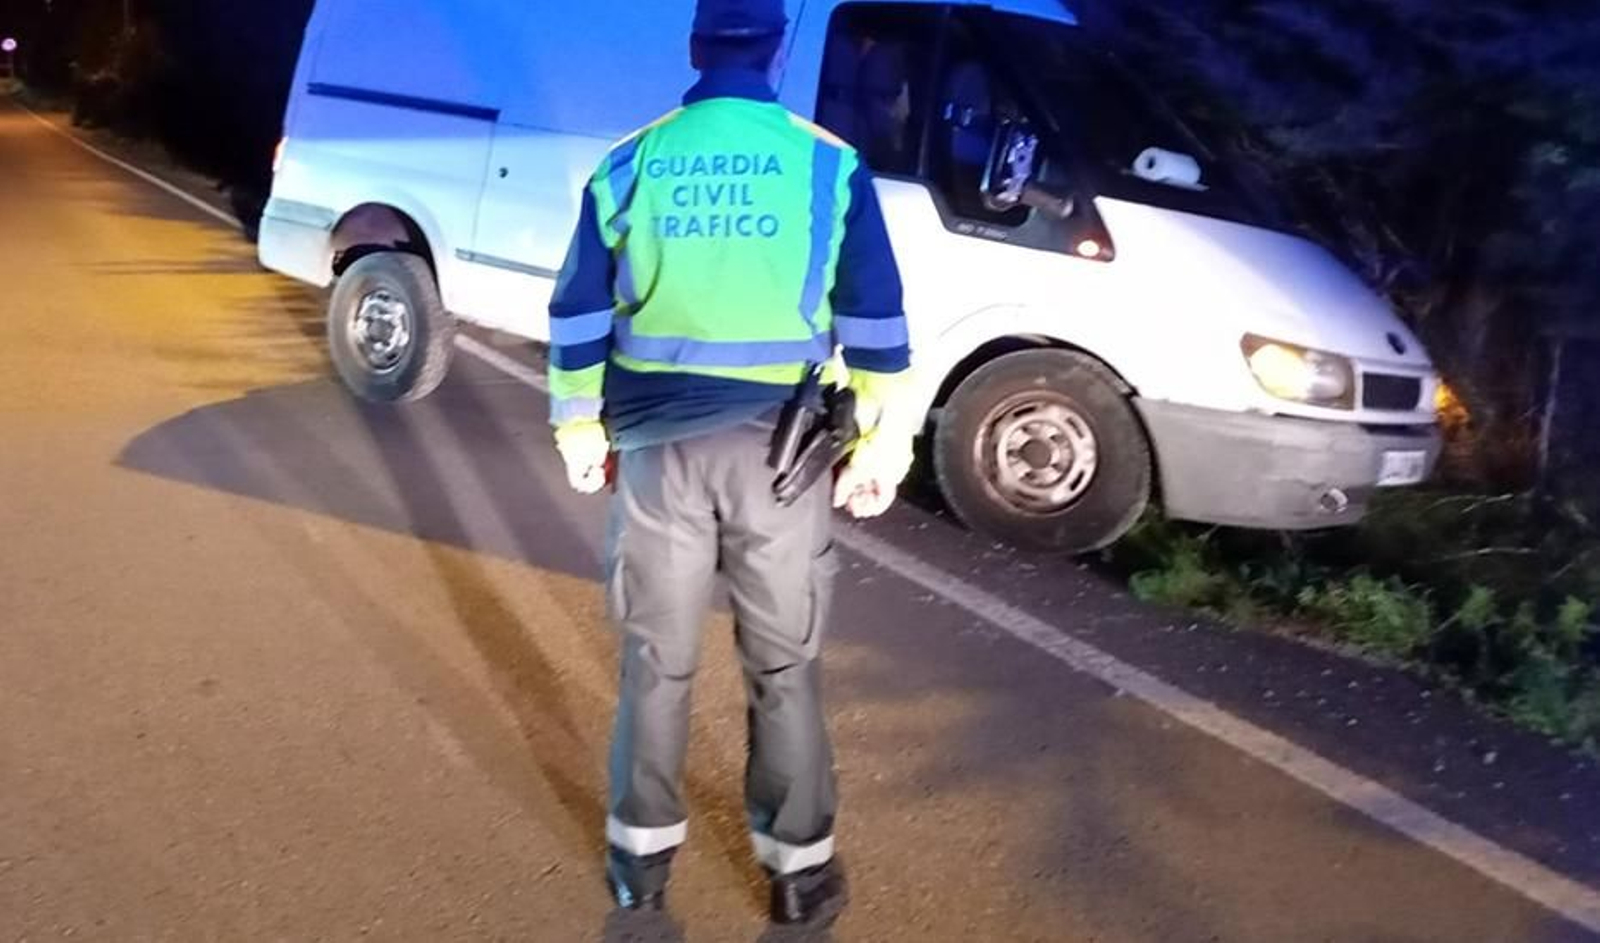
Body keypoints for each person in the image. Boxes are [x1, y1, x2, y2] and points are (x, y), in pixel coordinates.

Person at [545, 0, 916, 930]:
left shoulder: (631, 160)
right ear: (779, 50)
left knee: (655, 664)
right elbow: (876, 325)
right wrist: (881, 447)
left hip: (657, 452)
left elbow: (578, 315)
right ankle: (797, 874)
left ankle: (640, 867)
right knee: (783, 665)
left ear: (696, 47)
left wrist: (576, 430)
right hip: (781, 461)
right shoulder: (828, 163)